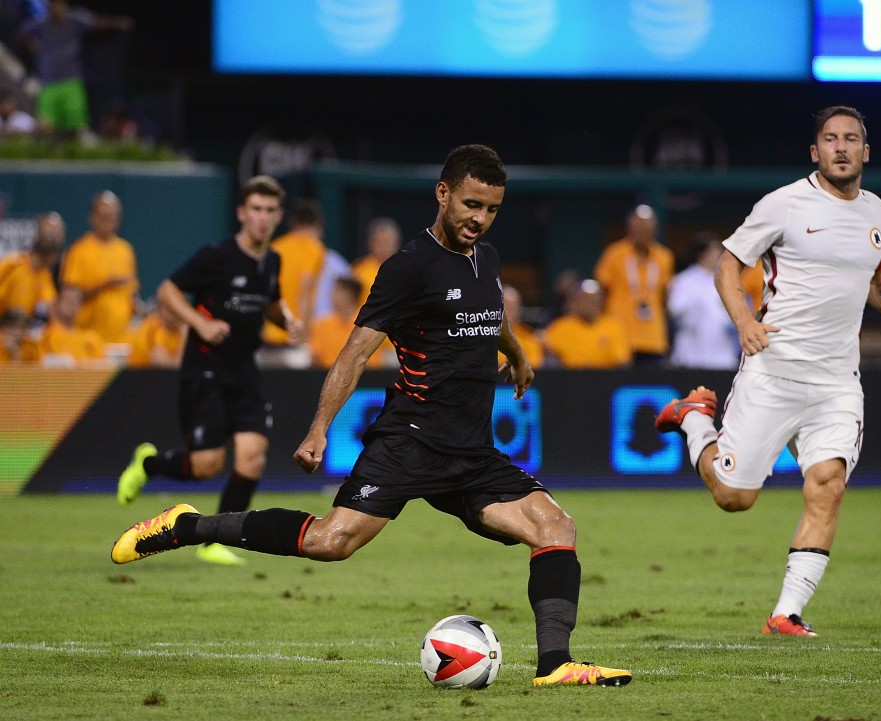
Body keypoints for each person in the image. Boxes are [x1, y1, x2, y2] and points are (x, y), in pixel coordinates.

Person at [112, 145, 631, 687]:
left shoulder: (489, 260)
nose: (480, 219)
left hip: (471, 453)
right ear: (444, 193)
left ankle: (556, 665)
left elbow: (491, 315)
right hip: (409, 442)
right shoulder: (407, 268)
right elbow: (354, 355)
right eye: (472, 204)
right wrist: (318, 429)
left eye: (492, 209)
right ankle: (188, 525)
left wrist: (518, 356)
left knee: (556, 526)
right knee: (329, 542)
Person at [655, 106, 881, 636]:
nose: (841, 147)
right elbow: (728, 265)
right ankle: (693, 417)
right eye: (831, 139)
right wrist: (744, 319)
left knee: (828, 483)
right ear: (815, 152)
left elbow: (873, 282)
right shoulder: (784, 204)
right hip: (774, 371)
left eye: (852, 139)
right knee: (733, 498)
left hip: (837, 380)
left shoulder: (878, 216)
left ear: (866, 151)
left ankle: (786, 613)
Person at [115, 175, 301, 566]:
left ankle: (215, 541)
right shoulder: (216, 256)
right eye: (256, 209)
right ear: (241, 213)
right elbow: (167, 290)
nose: (263, 218)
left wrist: (288, 323)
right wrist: (200, 325)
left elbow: (271, 304)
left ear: (279, 215)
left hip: (244, 370)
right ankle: (148, 463)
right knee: (206, 466)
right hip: (205, 370)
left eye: (270, 211)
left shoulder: (273, 260)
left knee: (252, 456)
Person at [17, 0, 133, 137]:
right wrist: (36, 48)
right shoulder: (41, 23)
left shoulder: (75, 19)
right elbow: (22, 33)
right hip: (49, 84)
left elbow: (97, 22)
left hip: (71, 83)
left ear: (65, 6)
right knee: (44, 126)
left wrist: (118, 22)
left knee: (74, 127)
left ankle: (69, 155)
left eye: (58, 5)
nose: (55, 9)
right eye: (52, 5)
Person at [593, 204, 674, 366]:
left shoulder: (664, 257)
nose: (641, 232)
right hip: (621, 334)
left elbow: (665, 295)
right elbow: (602, 290)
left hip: (653, 336)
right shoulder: (614, 254)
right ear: (629, 228)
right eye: (637, 227)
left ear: (654, 230)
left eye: (646, 228)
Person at [59, 191, 139, 344]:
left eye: (112, 217)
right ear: (92, 217)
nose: (108, 221)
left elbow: (132, 293)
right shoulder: (79, 250)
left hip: (121, 338)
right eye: (103, 216)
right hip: (87, 337)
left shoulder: (126, 250)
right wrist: (105, 285)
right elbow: (69, 298)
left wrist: (140, 309)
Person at [258, 198, 327, 368]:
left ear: (293, 222)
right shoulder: (314, 249)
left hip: (267, 334)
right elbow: (305, 294)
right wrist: (304, 336)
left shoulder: (274, 246)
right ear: (317, 223)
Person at [666, 232, 740, 370]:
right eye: (715, 253)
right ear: (703, 256)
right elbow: (675, 310)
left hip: (722, 355)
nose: (719, 257)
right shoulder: (684, 281)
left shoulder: (727, 281)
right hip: (692, 355)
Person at [308, 276, 395, 370]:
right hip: (328, 375)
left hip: (368, 376)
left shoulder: (371, 323)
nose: (331, 295)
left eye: (337, 291)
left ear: (349, 295)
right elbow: (315, 356)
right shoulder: (323, 324)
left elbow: (390, 351)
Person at [543, 279, 631, 369]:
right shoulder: (560, 327)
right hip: (569, 379)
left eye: (593, 300)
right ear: (575, 301)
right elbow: (549, 356)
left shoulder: (614, 327)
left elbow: (622, 362)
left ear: (601, 302)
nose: (588, 304)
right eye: (584, 299)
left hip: (605, 379)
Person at [0, 212, 65, 324]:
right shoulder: (13, 265)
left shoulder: (46, 277)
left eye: (56, 235)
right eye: (49, 233)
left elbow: (50, 309)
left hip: (24, 335)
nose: (52, 237)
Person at [22, 285, 106, 365]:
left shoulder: (91, 339)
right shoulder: (43, 336)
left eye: (76, 301)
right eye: (67, 300)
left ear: (80, 307)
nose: (71, 304)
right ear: (56, 304)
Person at [350, 216, 401, 308]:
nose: (383, 248)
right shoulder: (358, 270)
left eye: (387, 243)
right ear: (370, 243)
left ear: (396, 244)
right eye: (379, 242)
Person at [126, 301, 185, 369]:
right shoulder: (156, 325)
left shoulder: (177, 330)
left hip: (142, 373)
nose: (176, 312)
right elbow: (163, 364)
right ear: (161, 309)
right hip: (125, 368)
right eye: (171, 308)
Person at [499, 284, 543, 369]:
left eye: (514, 305)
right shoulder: (487, 335)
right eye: (506, 305)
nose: (511, 309)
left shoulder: (529, 337)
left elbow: (535, 364)